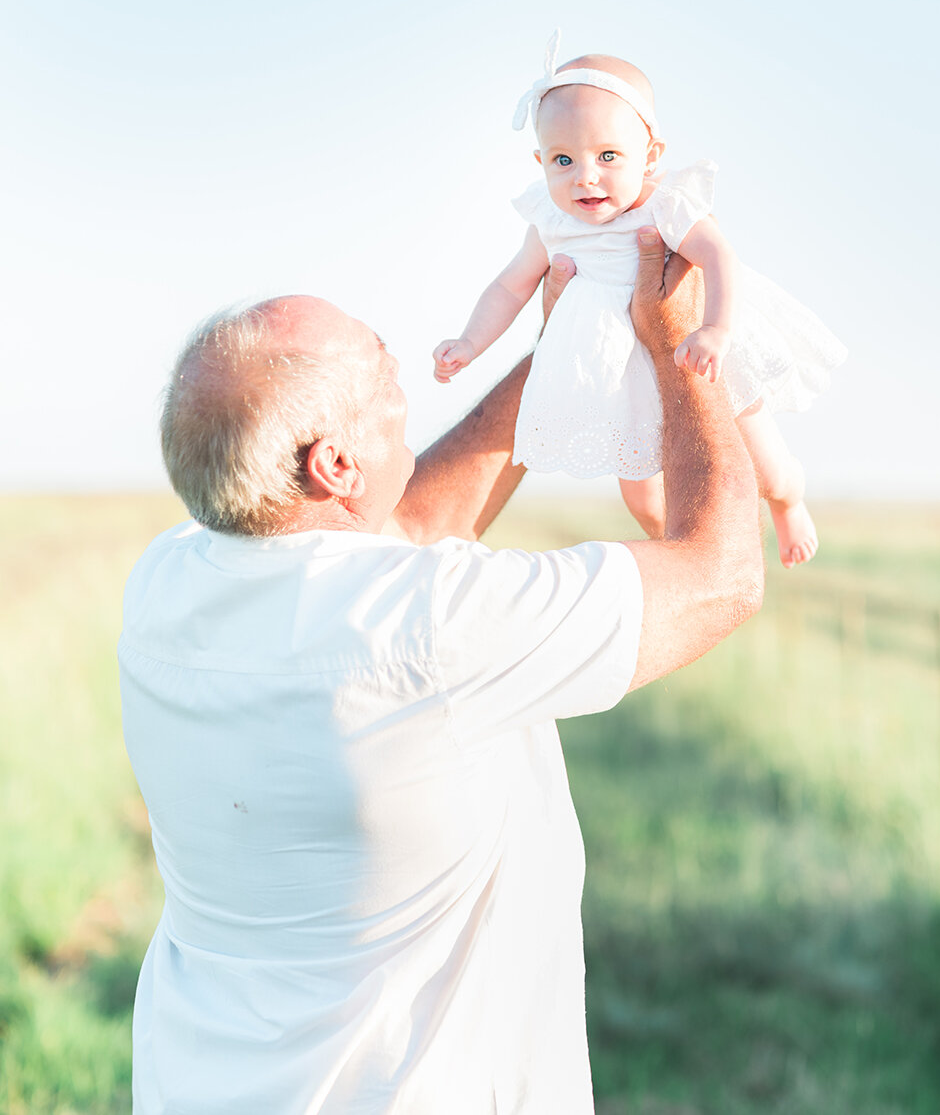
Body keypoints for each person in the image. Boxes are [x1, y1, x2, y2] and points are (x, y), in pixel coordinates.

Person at [119, 234, 763, 1114]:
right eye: (386, 379)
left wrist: (571, 348)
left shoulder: (167, 582)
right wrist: (679, 342)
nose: (405, 390)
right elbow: (721, 573)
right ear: (334, 465)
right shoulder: (429, 626)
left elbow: (400, 532)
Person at [433, 34, 847, 566]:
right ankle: (677, 549)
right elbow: (510, 286)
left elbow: (720, 257)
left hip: (697, 354)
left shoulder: (664, 207)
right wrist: (470, 341)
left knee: (765, 466)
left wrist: (716, 330)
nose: (585, 175)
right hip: (620, 369)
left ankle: (790, 501)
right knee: (641, 492)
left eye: (608, 156)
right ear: (539, 162)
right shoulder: (551, 221)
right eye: (562, 159)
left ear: (650, 156)